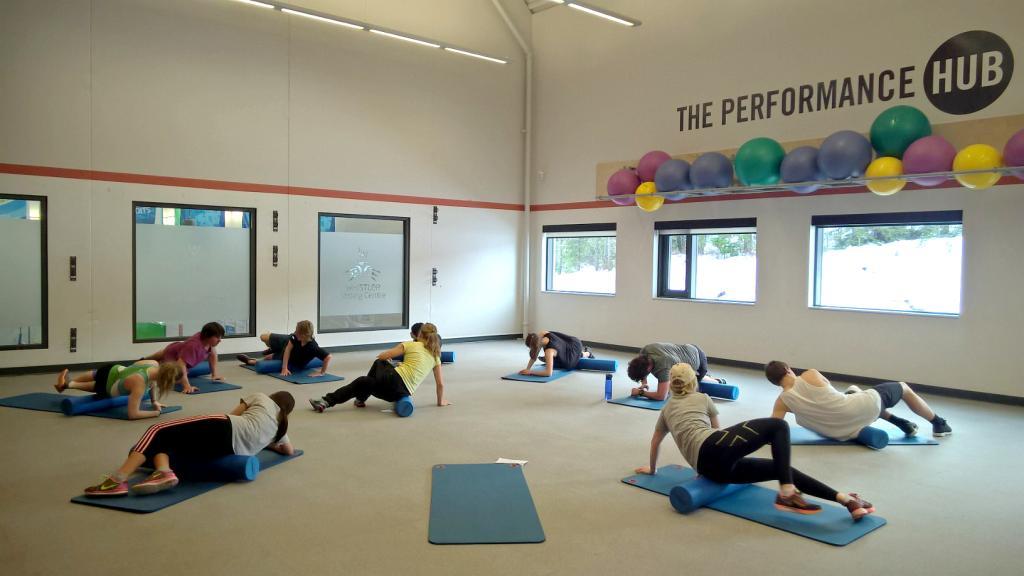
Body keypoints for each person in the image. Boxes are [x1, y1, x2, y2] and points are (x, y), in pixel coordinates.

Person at [635, 363, 874, 520]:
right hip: (714, 447)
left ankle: (846, 501)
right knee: (778, 426)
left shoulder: (666, 409)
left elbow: (655, 442)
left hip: (711, 470)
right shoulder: (702, 397)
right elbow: (718, 431)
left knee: (782, 469)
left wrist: (653, 470)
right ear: (692, 382)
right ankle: (787, 492)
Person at [82, 391, 295, 497]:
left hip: (224, 426)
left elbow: (233, 414)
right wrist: (265, 442)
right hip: (229, 450)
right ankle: (164, 472)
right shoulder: (280, 426)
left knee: (157, 429)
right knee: (168, 442)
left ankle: (117, 481)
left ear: (273, 397)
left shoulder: (261, 397)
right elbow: (288, 451)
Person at [764, 361, 952, 439]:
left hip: (836, 433)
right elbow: (830, 396)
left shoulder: (782, 402)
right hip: (859, 411)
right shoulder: (810, 374)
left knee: (853, 391)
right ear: (788, 369)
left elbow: (772, 427)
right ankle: (939, 424)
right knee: (903, 387)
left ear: (774, 382)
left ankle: (900, 422)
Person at [310, 322, 449, 411]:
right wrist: (440, 401)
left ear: (419, 334)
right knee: (364, 381)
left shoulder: (411, 344)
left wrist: (389, 360)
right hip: (400, 394)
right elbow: (440, 384)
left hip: (393, 381)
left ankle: (327, 401)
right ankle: (350, 401)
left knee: (378, 363)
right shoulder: (436, 356)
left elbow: (382, 356)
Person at [54, 360, 182, 420]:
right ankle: (69, 384)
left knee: (97, 375)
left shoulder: (153, 364)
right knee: (99, 386)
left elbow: (151, 381)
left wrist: (154, 401)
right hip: (107, 388)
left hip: (112, 369)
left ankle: (66, 384)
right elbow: (133, 414)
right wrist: (155, 413)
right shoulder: (140, 384)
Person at [627, 343, 726, 401]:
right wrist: (644, 383)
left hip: (699, 362)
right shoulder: (645, 351)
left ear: (648, 369)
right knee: (672, 385)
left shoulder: (663, 367)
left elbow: (661, 396)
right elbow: (641, 367)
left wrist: (641, 392)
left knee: (687, 389)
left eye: (643, 376)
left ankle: (715, 380)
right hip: (688, 349)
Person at [146, 322, 225, 394]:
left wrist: (214, 374)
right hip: (171, 355)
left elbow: (213, 355)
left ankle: (148, 359)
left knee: (166, 354)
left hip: (178, 348)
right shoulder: (193, 345)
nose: (220, 340)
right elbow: (181, 365)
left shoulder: (208, 341)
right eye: (217, 337)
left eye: (220, 337)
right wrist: (187, 386)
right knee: (172, 379)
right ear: (207, 335)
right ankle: (145, 360)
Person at [237, 320, 333, 377]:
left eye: (297, 332)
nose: (294, 332)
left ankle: (250, 361)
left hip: (294, 362)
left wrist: (322, 373)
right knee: (264, 339)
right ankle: (273, 349)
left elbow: (328, 357)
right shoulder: (295, 337)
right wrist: (284, 368)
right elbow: (288, 349)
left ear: (304, 335)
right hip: (287, 351)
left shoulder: (313, 347)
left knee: (266, 359)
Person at [518, 330, 594, 377]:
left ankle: (587, 353)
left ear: (537, 344)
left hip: (571, 350)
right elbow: (534, 355)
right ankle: (548, 359)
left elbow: (548, 373)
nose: (531, 349)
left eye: (531, 348)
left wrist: (530, 372)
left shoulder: (549, 351)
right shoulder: (541, 334)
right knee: (553, 358)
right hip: (573, 342)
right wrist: (527, 369)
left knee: (556, 363)